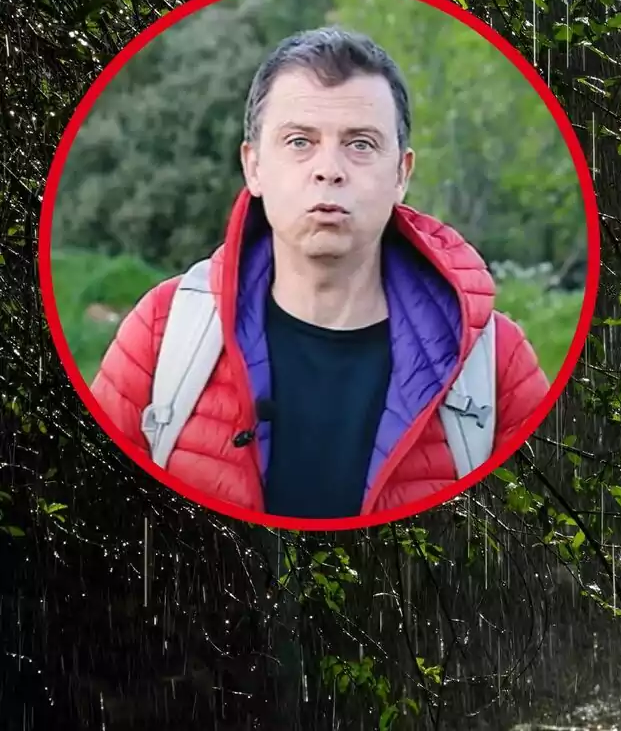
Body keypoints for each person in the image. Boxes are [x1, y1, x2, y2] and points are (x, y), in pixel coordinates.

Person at [89, 26, 552, 519]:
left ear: (402, 174)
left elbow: (542, 561)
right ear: (254, 167)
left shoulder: (493, 362)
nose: (329, 169)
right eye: (299, 141)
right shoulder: (165, 331)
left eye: (360, 144)